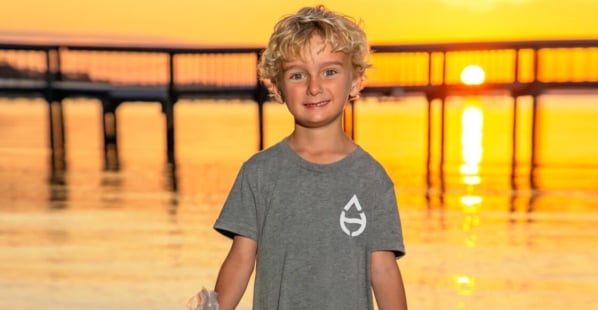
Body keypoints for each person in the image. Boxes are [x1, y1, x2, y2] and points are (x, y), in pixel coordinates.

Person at [213, 5, 407, 310]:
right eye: (297, 75)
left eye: (329, 71)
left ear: (355, 80)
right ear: (277, 88)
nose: (314, 87)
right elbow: (240, 259)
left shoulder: (372, 178)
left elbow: (382, 269)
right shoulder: (259, 173)